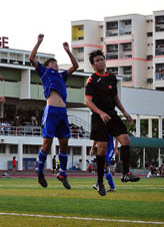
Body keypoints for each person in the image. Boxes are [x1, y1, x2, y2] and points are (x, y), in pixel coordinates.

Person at [85, 50, 140, 196]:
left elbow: (115, 98)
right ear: (93, 65)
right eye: (97, 60)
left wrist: (125, 112)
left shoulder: (111, 78)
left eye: (101, 59)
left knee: (125, 139)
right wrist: (101, 113)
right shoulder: (92, 80)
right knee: (101, 148)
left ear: (105, 61)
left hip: (112, 115)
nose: (100, 62)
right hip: (98, 116)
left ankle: (126, 173)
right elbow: (88, 102)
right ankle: (100, 183)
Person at [30, 34, 78, 189]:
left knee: (64, 143)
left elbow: (75, 66)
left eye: (56, 63)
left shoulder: (61, 75)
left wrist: (68, 51)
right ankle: (40, 170)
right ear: (48, 65)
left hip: (62, 112)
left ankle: (62, 174)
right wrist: (38, 42)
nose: (55, 64)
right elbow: (32, 58)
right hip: (51, 110)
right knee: (48, 142)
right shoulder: (44, 72)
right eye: (53, 62)